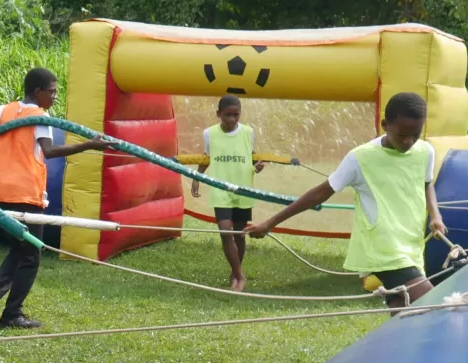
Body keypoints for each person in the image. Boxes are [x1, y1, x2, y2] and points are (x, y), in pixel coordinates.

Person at [249, 92, 445, 308]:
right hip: (382, 248)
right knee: (431, 304)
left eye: (415, 135)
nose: (408, 141)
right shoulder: (360, 158)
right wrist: (269, 223)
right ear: (385, 125)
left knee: (404, 313)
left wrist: (435, 216)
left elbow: (426, 183)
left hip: (412, 244)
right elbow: (320, 193)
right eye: (402, 135)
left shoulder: (425, 151)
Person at [0, 68, 110, 329]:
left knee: (20, 248)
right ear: (38, 92)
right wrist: (89, 145)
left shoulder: (4, 109)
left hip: (2, 191)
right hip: (26, 192)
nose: (55, 96)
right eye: (52, 91)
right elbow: (49, 150)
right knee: (31, 254)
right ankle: (12, 314)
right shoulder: (40, 115)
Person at [191, 94, 266, 291]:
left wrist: (257, 167)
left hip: (243, 188)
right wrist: (197, 178)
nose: (232, 119)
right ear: (219, 114)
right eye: (227, 115)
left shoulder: (248, 132)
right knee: (225, 231)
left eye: (236, 115)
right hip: (221, 189)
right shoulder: (209, 134)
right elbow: (207, 158)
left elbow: (251, 156)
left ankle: (235, 272)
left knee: (240, 234)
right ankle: (240, 275)